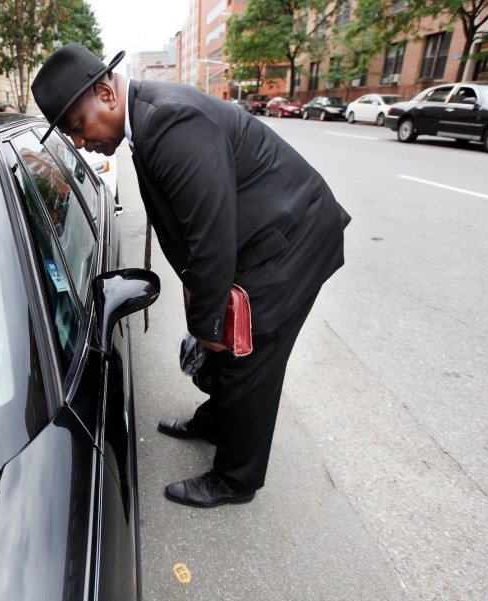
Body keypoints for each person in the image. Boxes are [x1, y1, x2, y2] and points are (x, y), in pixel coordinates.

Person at [31, 44, 351, 509]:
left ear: (105, 93)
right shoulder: (144, 118)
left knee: (248, 359)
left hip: (289, 244)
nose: (79, 143)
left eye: (77, 128)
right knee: (228, 354)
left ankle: (236, 479)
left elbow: (212, 235)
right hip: (259, 236)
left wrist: (208, 326)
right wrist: (200, 299)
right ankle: (216, 422)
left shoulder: (168, 120)